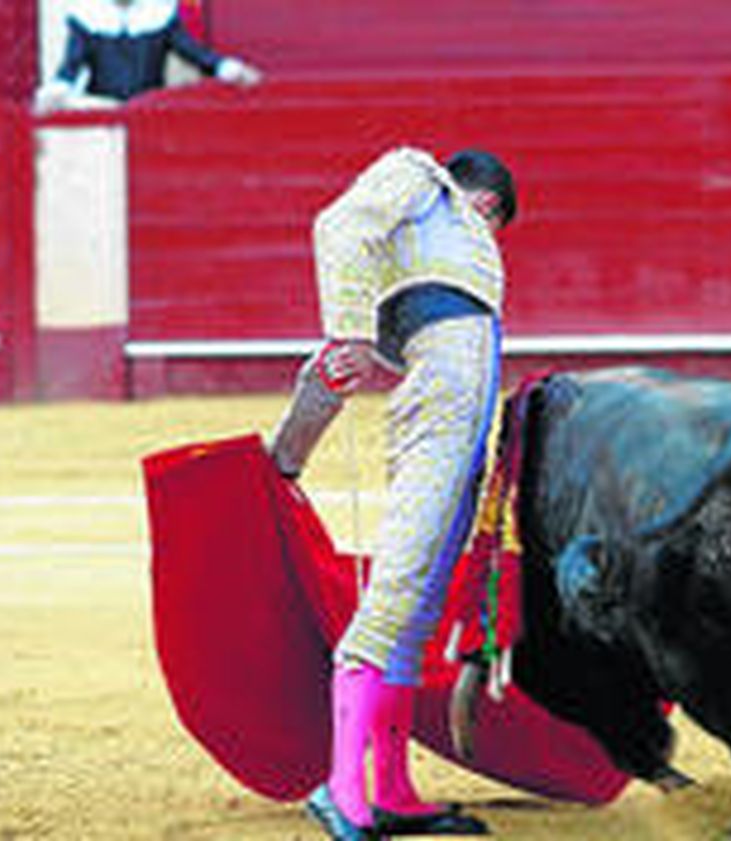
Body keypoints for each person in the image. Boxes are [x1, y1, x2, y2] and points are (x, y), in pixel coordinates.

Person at [266, 146, 518, 840]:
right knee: (398, 591)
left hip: (463, 422)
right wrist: (345, 325)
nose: (486, 235)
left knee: (419, 606)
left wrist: (361, 348)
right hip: (443, 410)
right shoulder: (420, 178)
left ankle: (395, 788)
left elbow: (368, 360)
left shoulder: (426, 262)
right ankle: (343, 791)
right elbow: (340, 224)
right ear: (485, 204)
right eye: (493, 221)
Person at [37, 0, 261, 109]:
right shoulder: (86, 15)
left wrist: (231, 69)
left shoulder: (159, 12)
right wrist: (56, 91)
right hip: (104, 110)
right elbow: (71, 66)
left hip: (149, 108)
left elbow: (195, 53)